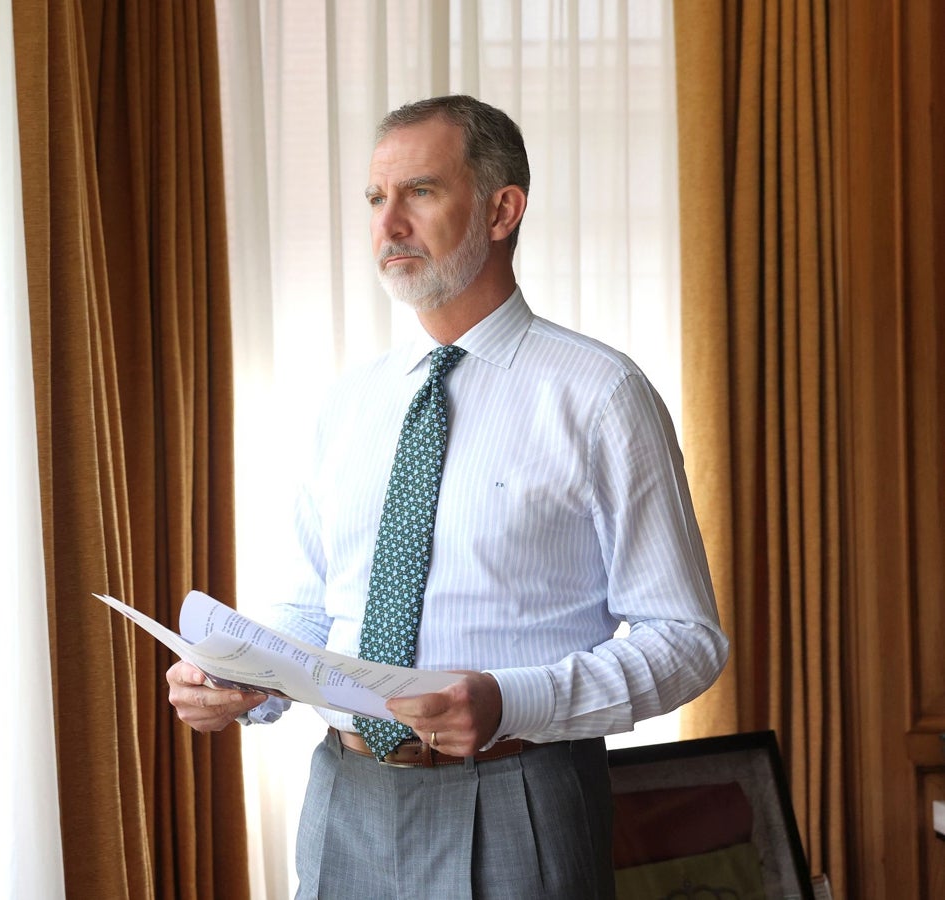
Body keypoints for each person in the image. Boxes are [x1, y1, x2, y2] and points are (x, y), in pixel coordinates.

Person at [167, 94, 729, 899]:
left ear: (502, 210)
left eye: (419, 192)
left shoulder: (603, 396)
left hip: (520, 797)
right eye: (374, 198)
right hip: (343, 800)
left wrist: (512, 701)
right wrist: (240, 678)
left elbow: (688, 639)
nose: (387, 225)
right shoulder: (347, 404)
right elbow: (312, 611)